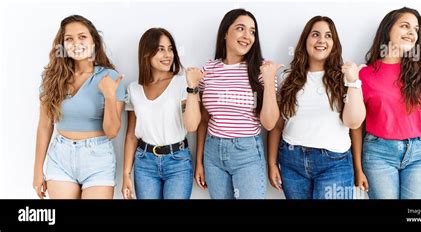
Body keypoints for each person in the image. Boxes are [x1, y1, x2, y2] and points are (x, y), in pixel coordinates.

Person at [352, 7, 421, 199]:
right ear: (388, 30)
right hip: (378, 154)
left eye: (415, 29)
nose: (412, 33)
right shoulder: (365, 74)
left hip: (420, 153)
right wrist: (357, 168)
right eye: (405, 26)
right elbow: (356, 126)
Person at [267, 16, 366, 199]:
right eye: (315, 34)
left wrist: (354, 82)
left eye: (328, 36)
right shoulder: (287, 78)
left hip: (335, 164)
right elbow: (277, 125)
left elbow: (355, 124)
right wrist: (272, 163)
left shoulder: (345, 77)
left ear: (334, 43)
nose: (321, 40)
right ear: (305, 40)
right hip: (291, 162)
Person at [33, 15, 126, 199]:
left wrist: (109, 95)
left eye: (82, 36)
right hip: (60, 157)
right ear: (63, 45)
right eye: (69, 39)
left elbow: (112, 131)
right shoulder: (52, 78)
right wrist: (37, 171)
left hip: (98, 159)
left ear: (94, 41)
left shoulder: (111, 77)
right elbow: (45, 125)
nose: (76, 43)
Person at [194, 8, 282, 199]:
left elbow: (269, 123)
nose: (247, 36)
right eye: (240, 28)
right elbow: (203, 120)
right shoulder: (208, 69)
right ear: (226, 32)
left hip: (247, 153)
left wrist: (268, 81)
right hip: (213, 152)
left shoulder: (263, 69)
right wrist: (198, 160)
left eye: (252, 31)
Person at [121, 28, 204, 199]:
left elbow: (192, 125)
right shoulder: (134, 88)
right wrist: (126, 174)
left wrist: (192, 88)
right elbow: (131, 135)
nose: (168, 54)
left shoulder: (182, 83)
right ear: (146, 54)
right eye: (160, 49)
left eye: (170, 48)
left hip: (178, 162)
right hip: (144, 162)